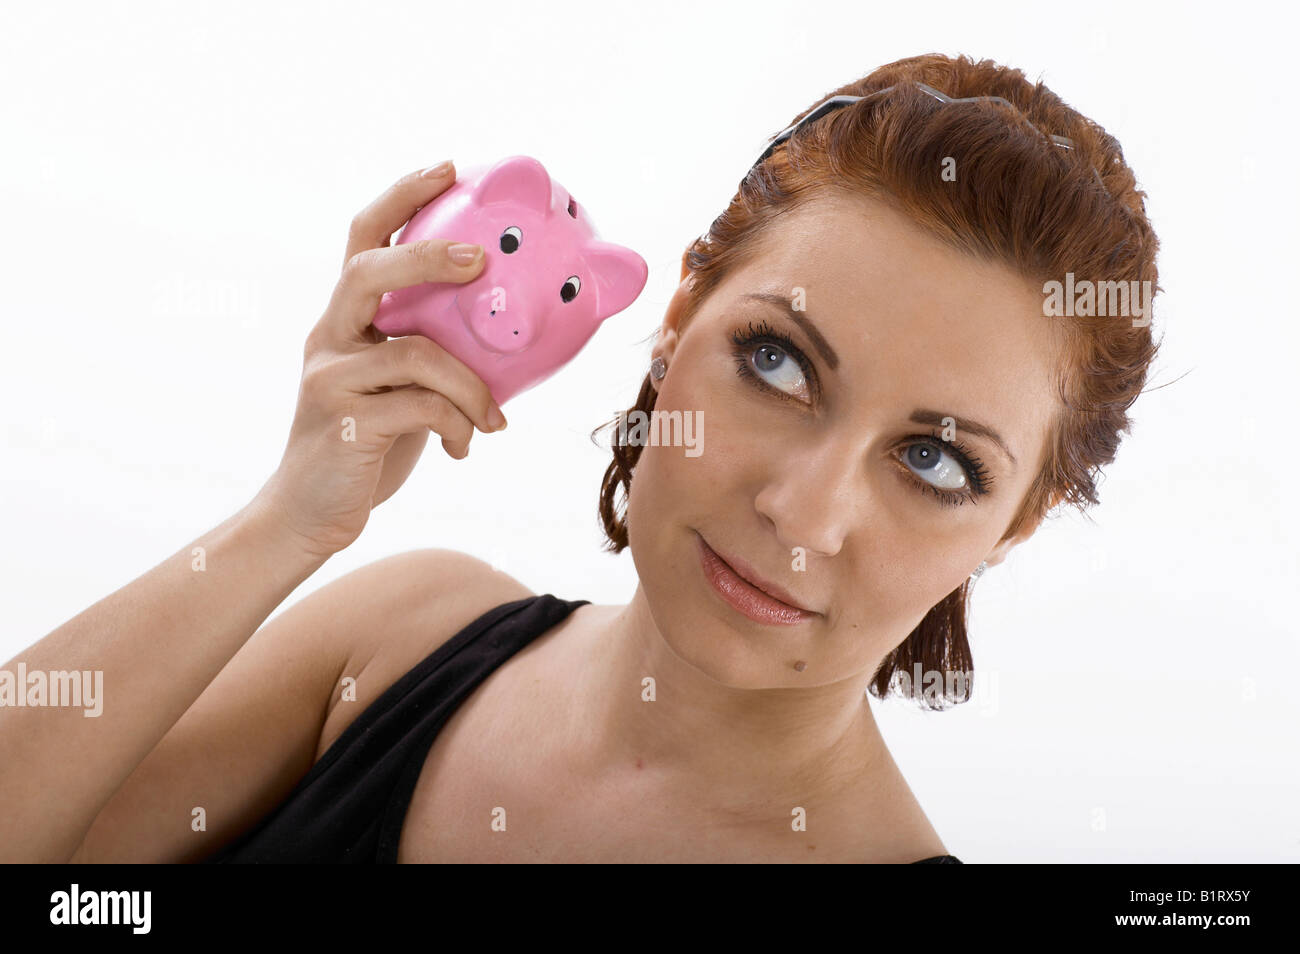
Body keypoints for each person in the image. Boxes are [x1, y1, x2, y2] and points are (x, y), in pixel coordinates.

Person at [0, 52, 1160, 863]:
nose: (802, 514)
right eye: (778, 364)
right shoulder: (405, 635)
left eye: (937, 463)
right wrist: (285, 527)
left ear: (1014, 525)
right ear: (679, 311)